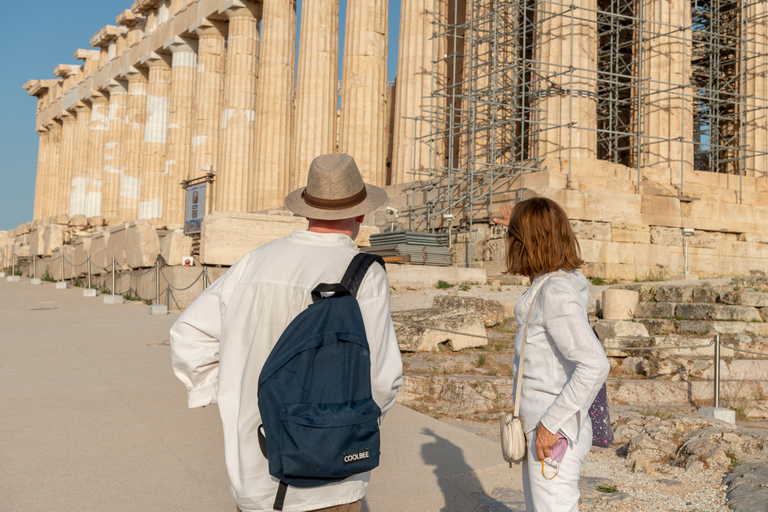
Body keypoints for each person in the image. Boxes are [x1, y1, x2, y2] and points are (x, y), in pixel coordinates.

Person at [170, 153, 403, 512]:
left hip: (252, 469)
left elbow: (188, 333)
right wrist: (348, 427)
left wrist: (234, 389)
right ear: (361, 212)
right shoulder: (362, 274)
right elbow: (383, 380)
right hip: (329, 479)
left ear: (307, 210)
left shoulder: (254, 261)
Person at [494, 197, 610, 512]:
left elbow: (595, 365)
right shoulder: (557, 284)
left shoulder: (555, 293)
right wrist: (525, 222)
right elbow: (575, 280)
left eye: (514, 238)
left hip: (552, 434)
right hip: (549, 428)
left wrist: (550, 424)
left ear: (524, 244)